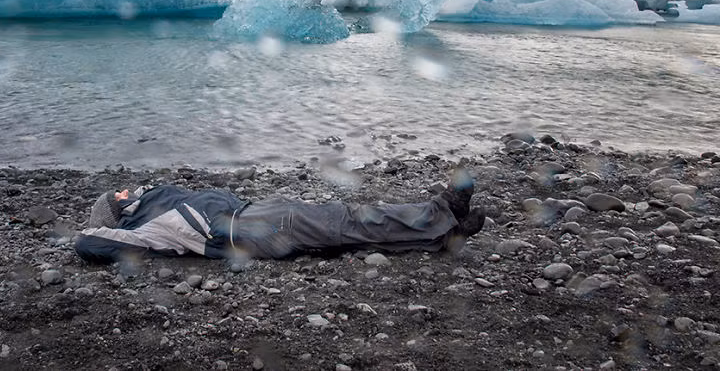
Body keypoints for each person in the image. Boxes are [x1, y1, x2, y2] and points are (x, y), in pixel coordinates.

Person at [74, 173, 485, 264]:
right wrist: (105, 217)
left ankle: (441, 236)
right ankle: (442, 211)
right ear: (118, 209)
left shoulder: (159, 203)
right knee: (348, 221)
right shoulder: (145, 228)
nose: (126, 189)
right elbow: (87, 241)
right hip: (252, 228)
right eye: (118, 195)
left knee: (347, 232)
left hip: (256, 216)